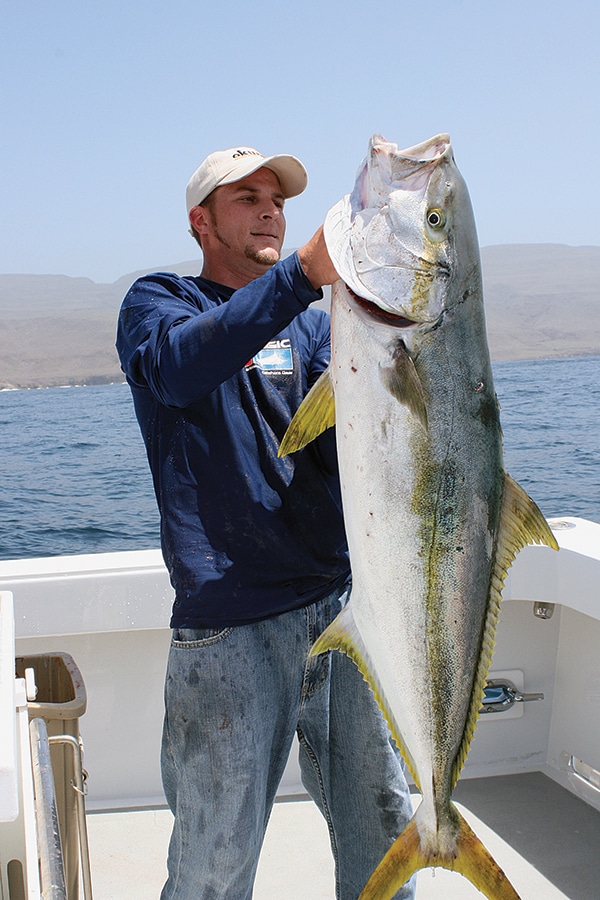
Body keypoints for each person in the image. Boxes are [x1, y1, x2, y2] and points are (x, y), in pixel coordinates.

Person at [116, 145, 415, 900]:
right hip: (231, 629)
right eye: (246, 197)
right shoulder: (159, 303)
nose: (270, 209)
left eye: (276, 199)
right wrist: (298, 278)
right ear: (201, 221)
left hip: (340, 611)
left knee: (382, 827)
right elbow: (183, 366)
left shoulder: (311, 330)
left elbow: (344, 451)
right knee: (215, 860)